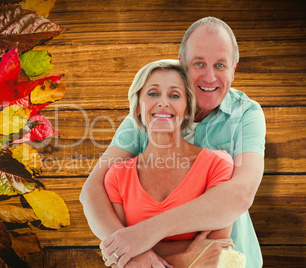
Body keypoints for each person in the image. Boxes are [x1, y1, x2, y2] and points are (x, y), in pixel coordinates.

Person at [80, 17, 266, 268]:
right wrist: (133, 254)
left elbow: (240, 195)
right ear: (182, 65)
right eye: (199, 63)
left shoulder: (246, 114)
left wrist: (144, 234)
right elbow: (93, 190)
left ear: (233, 69)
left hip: (228, 259)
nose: (210, 77)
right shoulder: (148, 116)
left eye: (220, 65)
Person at [102, 59, 235, 267]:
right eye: (153, 94)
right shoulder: (118, 176)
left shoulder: (217, 165)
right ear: (138, 106)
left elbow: (216, 253)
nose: (163, 102)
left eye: (174, 95)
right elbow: (118, 254)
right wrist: (187, 258)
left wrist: (139, 252)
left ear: (188, 109)